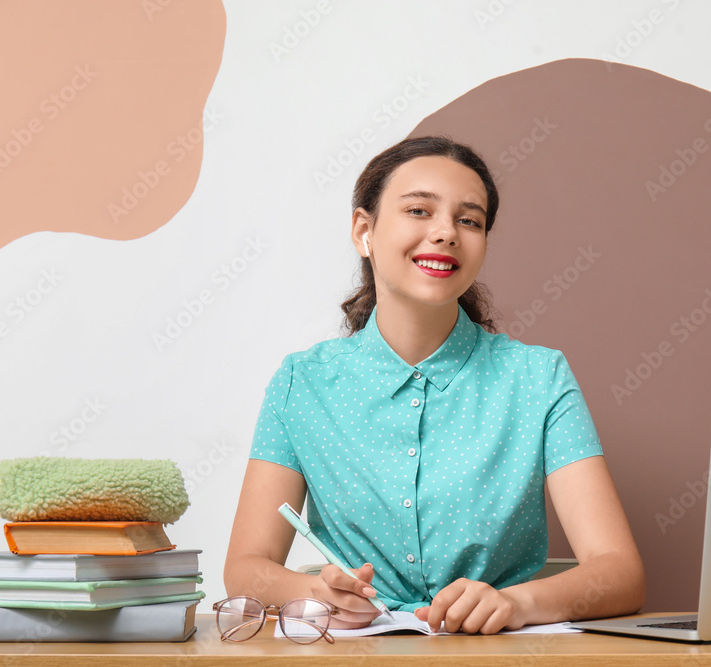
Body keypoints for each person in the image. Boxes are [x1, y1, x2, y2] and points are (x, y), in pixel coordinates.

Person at [224, 136, 644, 635]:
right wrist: (316, 594)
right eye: (420, 211)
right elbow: (245, 568)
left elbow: (620, 573)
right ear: (364, 231)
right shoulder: (301, 382)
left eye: (469, 220)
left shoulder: (539, 377)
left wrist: (516, 604)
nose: (446, 232)